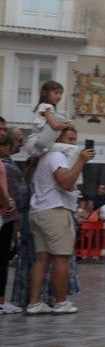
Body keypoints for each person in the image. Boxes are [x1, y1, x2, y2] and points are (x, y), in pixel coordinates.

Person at [24, 126, 93, 315]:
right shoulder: (57, 156)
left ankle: (34, 302)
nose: (73, 144)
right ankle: (61, 302)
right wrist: (80, 161)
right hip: (54, 210)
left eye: (74, 140)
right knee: (61, 256)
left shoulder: (45, 157)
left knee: (41, 258)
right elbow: (65, 182)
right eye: (70, 139)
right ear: (58, 138)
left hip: (39, 210)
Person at [0, 127, 27, 314]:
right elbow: (13, 194)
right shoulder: (5, 164)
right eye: (19, 140)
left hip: (9, 217)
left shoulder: (9, 162)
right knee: (2, 259)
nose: (22, 143)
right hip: (6, 216)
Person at [23, 80, 71, 159]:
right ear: (44, 93)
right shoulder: (46, 106)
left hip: (41, 145)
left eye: (60, 93)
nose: (59, 96)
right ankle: (67, 170)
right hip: (36, 144)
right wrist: (67, 125)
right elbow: (55, 126)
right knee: (72, 149)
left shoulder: (47, 108)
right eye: (56, 93)